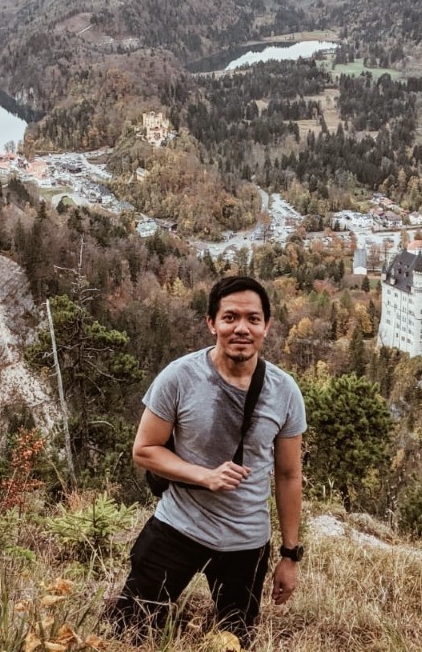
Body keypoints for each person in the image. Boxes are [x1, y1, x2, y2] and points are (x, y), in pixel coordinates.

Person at [108, 275, 306, 645]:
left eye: (253, 318)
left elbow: (289, 474)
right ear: (211, 323)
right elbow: (144, 449)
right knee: (129, 632)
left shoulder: (284, 391)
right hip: (177, 526)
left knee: (234, 639)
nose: (241, 328)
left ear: (266, 326)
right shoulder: (179, 377)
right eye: (230, 317)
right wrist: (204, 476)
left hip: (246, 541)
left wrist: (290, 555)